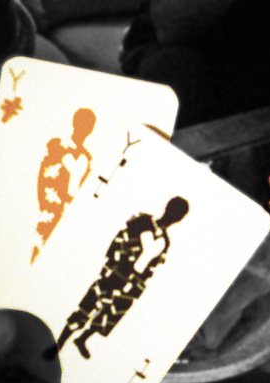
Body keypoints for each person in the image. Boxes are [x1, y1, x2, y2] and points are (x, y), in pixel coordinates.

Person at [55, 196, 189, 359]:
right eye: (173, 211)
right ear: (167, 207)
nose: (173, 217)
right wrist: (114, 262)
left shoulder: (165, 243)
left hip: (131, 283)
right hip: (115, 272)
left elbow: (151, 267)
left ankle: (82, 339)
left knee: (109, 312)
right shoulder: (143, 220)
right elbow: (121, 238)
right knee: (88, 305)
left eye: (178, 216)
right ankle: (60, 342)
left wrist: (137, 285)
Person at [31, 108, 96, 263]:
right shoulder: (56, 145)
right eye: (82, 123)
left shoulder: (87, 158)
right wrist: (49, 204)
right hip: (48, 207)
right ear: (74, 122)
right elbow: (44, 175)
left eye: (88, 126)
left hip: (68, 214)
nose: (84, 129)